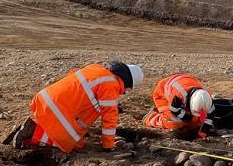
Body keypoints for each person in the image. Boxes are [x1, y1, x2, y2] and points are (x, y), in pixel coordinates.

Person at [8, 61, 143, 152]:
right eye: (127, 89)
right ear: (127, 82)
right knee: (70, 143)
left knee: (57, 127)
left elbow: (78, 85)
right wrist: (108, 145)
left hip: (45, 100)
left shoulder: (95, 69)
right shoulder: (111, 85)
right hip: (58, 110)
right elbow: (109, 117)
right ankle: (32, 135)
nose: (124, 92)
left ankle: (27, 127)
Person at [143, 73, 215, 138]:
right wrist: (191, 119)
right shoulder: (178, 95)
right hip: (162, 94)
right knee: (175, 123)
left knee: (196, 121)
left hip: (182, 81)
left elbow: (209, 117)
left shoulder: (207, 99)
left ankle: (186, 118)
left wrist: (202, 133)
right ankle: (151, 118)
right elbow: (175, 111)